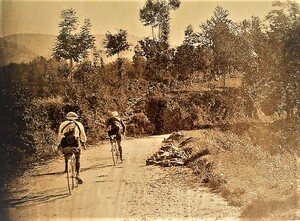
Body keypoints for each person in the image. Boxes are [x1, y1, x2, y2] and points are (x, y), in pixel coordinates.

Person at [57, 111, 87, 184]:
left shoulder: (63, 124)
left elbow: (59, 136)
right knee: (77, 158)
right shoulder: (79, 124)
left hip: (65, 144)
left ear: (67, 117)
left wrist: (59, 143)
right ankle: (78, 174)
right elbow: (83, 137)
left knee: (66, 153)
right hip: (75, 144)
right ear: (76, 118)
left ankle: (67, 167)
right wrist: (83, 141)